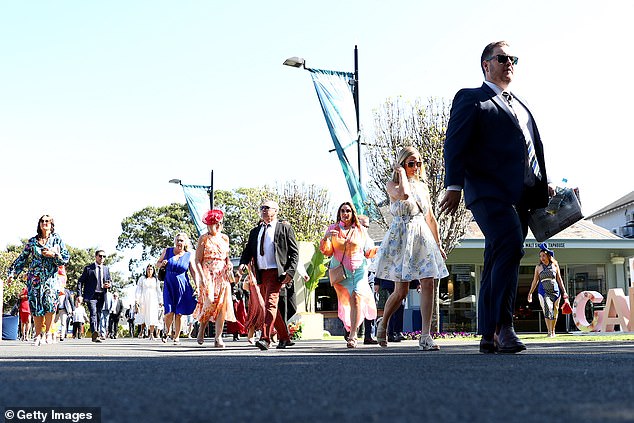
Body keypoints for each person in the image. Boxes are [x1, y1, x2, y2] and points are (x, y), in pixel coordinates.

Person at [440, 41, 550, 354]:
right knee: (511, 246)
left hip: (523, 196)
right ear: (486, 65)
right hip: (488, 193)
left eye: (513, 58)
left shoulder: (521, 104)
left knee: (496, 259)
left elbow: (531, 149)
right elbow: (454, 144)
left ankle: (487, 334)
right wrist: (454, 185)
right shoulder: (472, 98)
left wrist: (545, 183)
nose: (509, 62)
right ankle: (504, 327)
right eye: (502, 58)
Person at [372, 147, 448, 351]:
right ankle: (384, 322)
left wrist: (438, 245)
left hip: (421, 236)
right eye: (411, 163)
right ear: (402, 164)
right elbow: (404, 195)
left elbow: (430, 218)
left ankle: (425, 336)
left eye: (419, 163)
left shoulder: (424, 187)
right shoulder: (392, 184)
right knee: (401, 291)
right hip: (401, 238)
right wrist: (402, 174)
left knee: (429, 282)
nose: (416, 167)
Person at [238, 200, 299, 351]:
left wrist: (290, 272)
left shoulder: (284, 228)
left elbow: (294, 252)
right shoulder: (255, 231)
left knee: (270, 303)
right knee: (271, 306)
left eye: (267, 208)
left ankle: (265, 338)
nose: (263, 210)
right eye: (261, 208)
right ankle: (284, 337)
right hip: (261, 273)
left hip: (276, 273)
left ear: (275, 211)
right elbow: (248, 251)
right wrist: (242, 263)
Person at [320, 202, 378, 348]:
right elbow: (326, 251)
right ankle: (350, 327)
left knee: (357, 298)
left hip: (358, 271)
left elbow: (367, 251)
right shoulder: (333, 229)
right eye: (342, 211)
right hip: (341, 272)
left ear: (352, 213)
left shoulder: (360, 230)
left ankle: (353, 335)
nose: (345, 213)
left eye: (348, 211)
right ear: (339, 213)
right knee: (346, 303)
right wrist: (326, 237)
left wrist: (377, 250)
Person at [6, 214, 70, 346]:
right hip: (34, 278)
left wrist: (54, 254)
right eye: (42, 221)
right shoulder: (33, 242)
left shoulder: (57, 239)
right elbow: (22, 259)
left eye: (47, 221)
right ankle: (37, 335)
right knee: (36, 306)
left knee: (50, 304)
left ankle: (47, 333)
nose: (44, 223)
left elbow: (65, 258)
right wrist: (12, 274)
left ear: (52, 225)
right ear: (39, 224)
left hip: (50, 278)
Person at [193, 209, 237, 348]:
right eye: (215, 223)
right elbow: (197, 260)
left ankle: (218, 338)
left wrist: (229, 263)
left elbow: (226, 257)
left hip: (222, 274)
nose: (218, 226)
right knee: (210, 301)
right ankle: (202, 328)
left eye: (220, 223)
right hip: (208, 273)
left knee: (222, 304)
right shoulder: (204, 238)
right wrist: (202, 277)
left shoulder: (225, 238)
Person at [157, 232, 198, 344]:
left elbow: (193, 272)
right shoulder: (167, 251)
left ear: (185, 243)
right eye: (178, 240)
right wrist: (162, 264)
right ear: (175, 241)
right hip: (169, 284)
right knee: (169, 311)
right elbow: (157, 263)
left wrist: (198, 286)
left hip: (183, 286)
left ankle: (176, 337)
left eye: (182, 241)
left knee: (179, 313)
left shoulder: (188, 255)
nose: (179, 242)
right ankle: (167, 331)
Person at [528, 245, 569, 337]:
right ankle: (549, 331)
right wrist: (530, 293)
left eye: (543, 255)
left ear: (548, 256)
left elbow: (559, 280)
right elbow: (535, 281)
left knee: (555, 310)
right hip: (543, 292)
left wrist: (564, 292)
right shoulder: (538, 267)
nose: (541, 258)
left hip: (555, 291)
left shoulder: (555, 265)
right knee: (547, 309)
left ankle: (553, 330)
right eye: (540, 256)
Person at [78, 250, 113, 343]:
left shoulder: (106, 269)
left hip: (102, 294)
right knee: (93, 313)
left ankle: (97, 332)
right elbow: (80, 281)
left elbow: (110, 281)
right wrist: (80, 295)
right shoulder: (88, 268)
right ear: (96, 256)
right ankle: (94, 333)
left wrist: (109, 285)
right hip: (91, 295)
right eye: (100, 256)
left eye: (104, 256)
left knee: (98, 314)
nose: (102, 258)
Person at [134, 264, 163, 341]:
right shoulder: (142, 279)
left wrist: (160, 301)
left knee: (152, 316)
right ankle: (141, 331)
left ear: (153, 270)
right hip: (144, 299)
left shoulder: (156, 280)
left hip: (153, 299)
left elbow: (158, 290)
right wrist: (137, 300)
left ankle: (151, 334)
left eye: (151, 269)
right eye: (148, 269)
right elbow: (138, 289)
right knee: (143, 315)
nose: (149, 271)